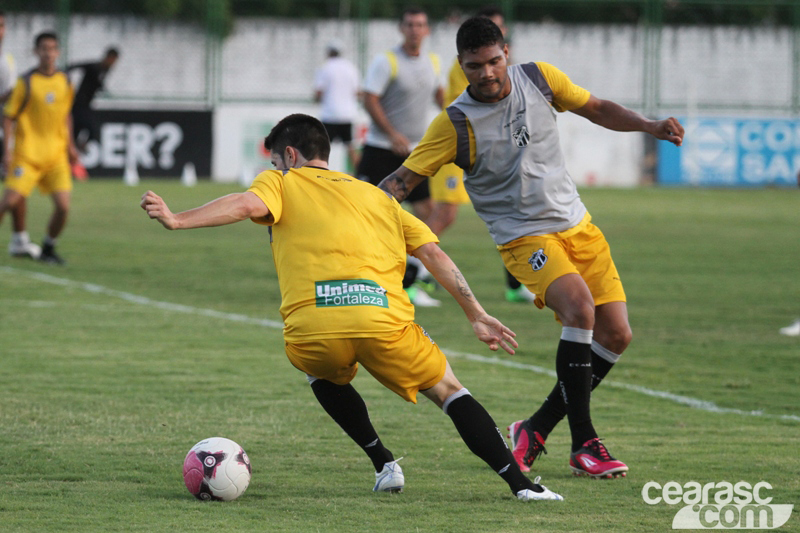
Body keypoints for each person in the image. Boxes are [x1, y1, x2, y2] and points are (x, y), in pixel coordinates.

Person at [141, 113, 563, 502]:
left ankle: (384, 463)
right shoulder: (378, 197)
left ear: (290, 155)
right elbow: (434, 255)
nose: (273, 170)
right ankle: (522, 486)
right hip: (383, 320)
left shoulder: (283, 182)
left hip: (315, 327)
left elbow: (247, 204)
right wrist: (476, 313)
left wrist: (178, 219)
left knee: (319, 370)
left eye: (275, 161)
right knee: (451, 392)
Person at [378, 17, 684, 479]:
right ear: (462, 66)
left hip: (578, 225)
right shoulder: (455, 123)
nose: (486, 73)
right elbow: (401, 181)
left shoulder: (540, 79)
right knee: (581, 309)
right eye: (474, 65)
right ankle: (585, 442)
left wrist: (650, 125)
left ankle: (535, 428)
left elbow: (596, 107)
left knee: (617, 334)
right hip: (523, 237)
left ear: (508, 53)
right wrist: (353, 210)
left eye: (494, 61)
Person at [431, 6, 536, 304]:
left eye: (500, 29)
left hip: (490, 150)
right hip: (461, 147)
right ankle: (409, 278)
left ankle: (516, 285)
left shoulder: (501, 65)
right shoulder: (472, 65)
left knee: (513, 210)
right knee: (444, 215)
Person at [357, 6, 444, 307]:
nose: (415, 30)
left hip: (416, 154)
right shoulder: (387, 61)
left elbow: (439, 96)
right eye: (409, 24)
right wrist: (392, 133)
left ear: (427, 30)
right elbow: (369, 98)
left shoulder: (434, 62)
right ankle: (361, 276)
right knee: (367, 216)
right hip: (381, 149)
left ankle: (410, 279)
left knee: (429, 213)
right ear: (401, 28)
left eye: (420, 24)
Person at [0, 31, 78, 265]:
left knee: (63, 207)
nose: (48, 53)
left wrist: (71, 146)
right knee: (7, 203)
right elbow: (8, 116)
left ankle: (48, 248)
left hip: (55, 156)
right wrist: (7, 150)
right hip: (27, 155)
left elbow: (66, 115)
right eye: (43, 48)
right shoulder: (26, 82)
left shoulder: (65, 81)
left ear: (58, 52)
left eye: (52, 48)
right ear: (36, 52)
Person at [0, 11, 40, 260]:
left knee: (18, 186)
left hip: (2, 134)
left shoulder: (6, 60)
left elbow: (9, 103)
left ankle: (19, 239)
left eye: (2, 25)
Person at [313, 40, 361, 172]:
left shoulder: (325, 67)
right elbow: (358, 92)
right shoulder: (351, 68)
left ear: (329, 52)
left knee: (321, 149)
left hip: (329, 114)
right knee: (351, 147)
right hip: (347, 114)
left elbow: (318, 93)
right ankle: (362, 175)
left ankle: (317, 173)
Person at [67, 47, 118, 155]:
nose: (113, 63)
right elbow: (77, 66)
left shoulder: (106, 70)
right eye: (112, 60)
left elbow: (97, 83)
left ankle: (78, 146)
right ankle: (75, 147)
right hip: (79, 104)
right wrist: (64, 73)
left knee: (88, 130)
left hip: (86, 104)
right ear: (108, 57)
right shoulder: (95, 66)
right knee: (88, 128)